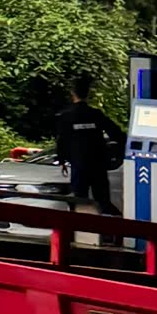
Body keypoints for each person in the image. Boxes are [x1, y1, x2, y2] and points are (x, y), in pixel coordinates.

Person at [55, 72, 124, 214]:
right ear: (88, 94)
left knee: (80, 199)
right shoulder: (95, 114)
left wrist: (62, 160)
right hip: (98, 164)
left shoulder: (66, 116)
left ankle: (82, 225)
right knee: (102, 199)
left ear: (72, 93)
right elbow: (116, 133)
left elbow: (62, 140)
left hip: (79, 164)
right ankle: (108, 224)